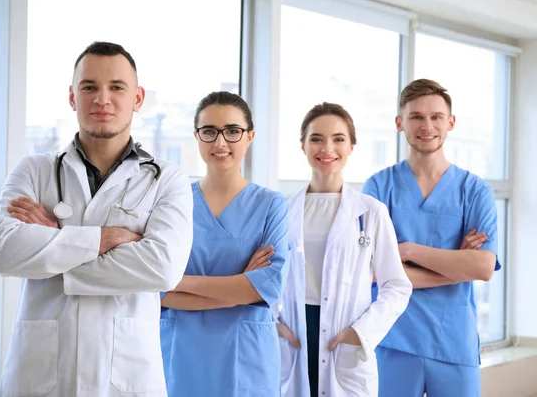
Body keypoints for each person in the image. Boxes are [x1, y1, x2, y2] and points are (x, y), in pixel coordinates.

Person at [0, 41, 193, 397]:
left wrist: (54, 250)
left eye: (116, 87)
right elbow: (6, 253)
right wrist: (106, 239)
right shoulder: (33, 171)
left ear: (138, 98)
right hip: (39, 378)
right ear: (72, 97)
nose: (102, 99)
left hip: (125, 379)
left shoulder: (166, 179)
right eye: (89, 87)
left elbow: (163, 268)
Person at [362, 79, 500, 397]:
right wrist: (454, 268)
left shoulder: (474, 191)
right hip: (392, 339)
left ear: (450, 123)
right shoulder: (378, 188)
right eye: (416, 117)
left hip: (454, 341)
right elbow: (369, 271)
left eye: (436, 117)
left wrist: (406, 250)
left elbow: (482, 267)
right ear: (400, 123)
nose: (427, 126)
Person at [275, 102, 412, 397]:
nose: (327, 148)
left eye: (338, 139)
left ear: (351, 146)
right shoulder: (282, 210)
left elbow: (397, 286)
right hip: (295, 335)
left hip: (344, 337)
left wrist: (361, 334)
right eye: (316, 138)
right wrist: (273, 325)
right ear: (303, 146)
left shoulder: (370, 212)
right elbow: (264, 275)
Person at [159, 91, 290, 397]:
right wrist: (239, 287)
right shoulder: (172, 203)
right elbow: (155, 289)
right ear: (197, 136)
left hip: (245, 358)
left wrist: (180, 281)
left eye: (232, 131)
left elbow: (267, 287)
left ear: (250, 136)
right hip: (181, 355)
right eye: (209, 132)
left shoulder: (272, 205)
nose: (220, 142)